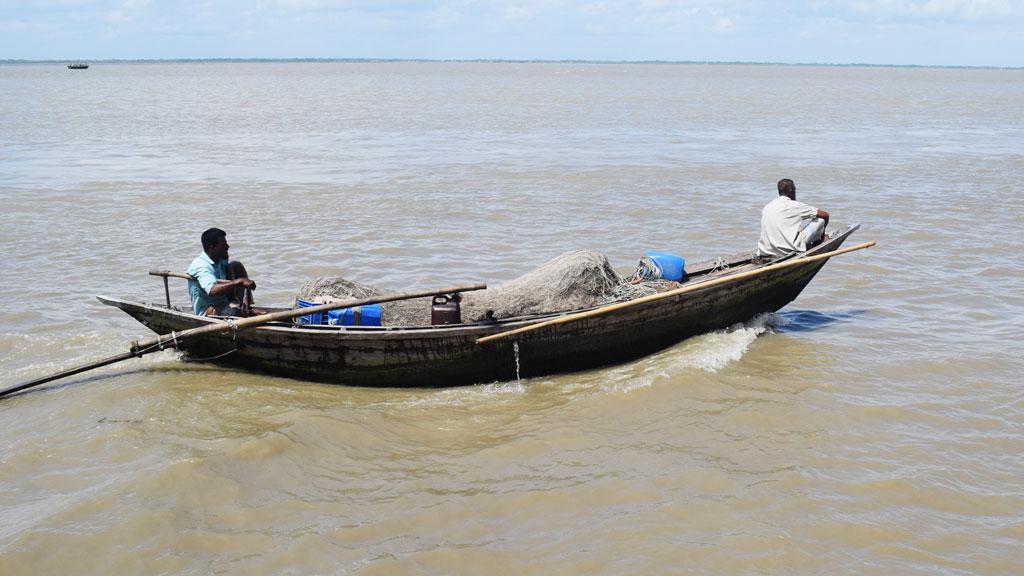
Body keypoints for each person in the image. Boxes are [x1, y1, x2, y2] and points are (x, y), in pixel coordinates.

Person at [187, 228, 258, 316]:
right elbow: (212, 290)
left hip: (225, 303)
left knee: (235, 265)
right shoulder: (201, 265)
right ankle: (242, 312)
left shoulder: (219, 259)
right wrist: (239, 281)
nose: (228, 247)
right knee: (241, 313)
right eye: (224, 245)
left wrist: (226, 257)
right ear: (212, 247)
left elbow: (230, 268)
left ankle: (244, 306)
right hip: (209, 310)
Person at [756, 178, 829, 259]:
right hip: (787, 252)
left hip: (764, 251)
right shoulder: (795, 205)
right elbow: (825, 215)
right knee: (820, 220)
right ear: (792, 191)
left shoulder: (767, 206)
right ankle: (820, 240)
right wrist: (823, 235)